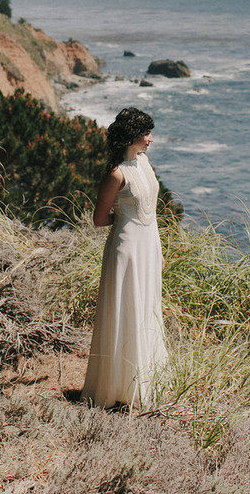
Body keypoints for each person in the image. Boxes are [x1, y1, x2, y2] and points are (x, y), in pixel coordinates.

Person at [81, 107, 168, 409]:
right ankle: (117, 389)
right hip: (127, 250)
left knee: (146, 310)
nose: (151, 139)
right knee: (125, 311)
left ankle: (143, 384)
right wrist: (126, 226)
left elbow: (152, 212)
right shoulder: (116, 174)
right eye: (146, 134)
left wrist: (156, 249)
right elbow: (99, 219)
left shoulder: (144, 162)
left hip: (147, 246)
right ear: (131, 136)